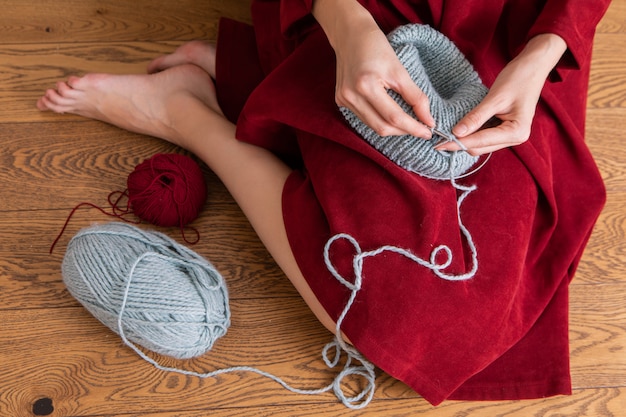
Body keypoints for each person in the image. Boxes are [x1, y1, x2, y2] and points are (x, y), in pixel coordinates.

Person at [37, 0, 610, 406]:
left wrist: (545, 50)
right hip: (365, 13)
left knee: (460, 308)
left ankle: (254, 81)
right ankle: (186, 113)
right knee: (389, 303)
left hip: (510, 28)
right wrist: (344, 21)